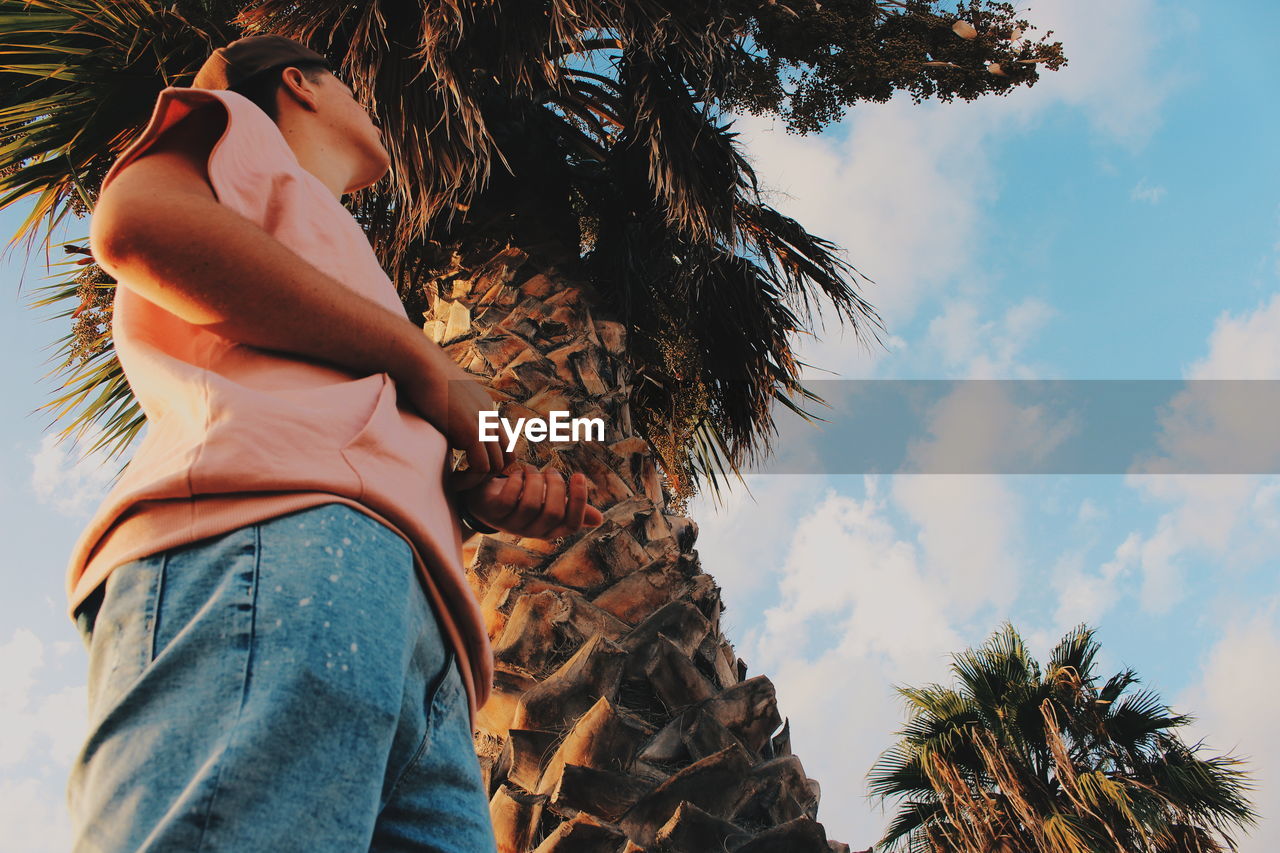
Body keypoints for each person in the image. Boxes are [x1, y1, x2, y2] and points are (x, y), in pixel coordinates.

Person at [64, 34, 602, 852]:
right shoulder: (235, 125)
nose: (371, 108)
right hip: (277, 540)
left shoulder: (331, 249)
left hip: (426, 647)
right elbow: (139, 224)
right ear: (298, 84)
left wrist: (471, 498)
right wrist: (419, 355)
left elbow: (353, 418)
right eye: (352, 87)